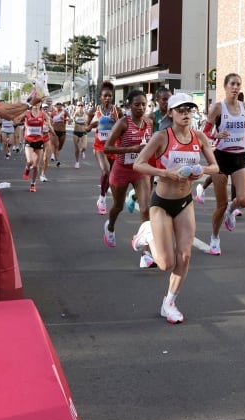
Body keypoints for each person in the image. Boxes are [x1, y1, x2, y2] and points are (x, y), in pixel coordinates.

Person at [132, 93, 218, 323]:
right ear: (170, 112)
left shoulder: (198, 137)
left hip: (184, 203)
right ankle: (146, 233)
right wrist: (165, 173)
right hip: (161, 203)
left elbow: (215, 166)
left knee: (186, 255)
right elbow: (139, 163)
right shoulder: (162, 137)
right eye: (180, 109)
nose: (186, 113)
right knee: (165, 263)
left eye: (189, 109)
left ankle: (169, 303)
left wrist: (200, 170)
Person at [201, 73, 245, 255]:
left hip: (239, 156)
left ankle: (231, 211)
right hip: (221, 157)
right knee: (221, 203)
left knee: (244, 200)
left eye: (238, 84)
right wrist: (215, 135)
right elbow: (205, 132)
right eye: (232, 84)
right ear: (225, 87)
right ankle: (215, 238)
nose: (235, 87)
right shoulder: (218, 108)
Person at [103, 89, 153, 266]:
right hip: (121, 169)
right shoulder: (123, 123)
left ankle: (146, 253)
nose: (141, 108)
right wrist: (130, 149)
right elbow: (107, 148)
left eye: (143, 105)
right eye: (137, 105)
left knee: (146, 208)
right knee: (118, 206)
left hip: (140, 170)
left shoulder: (148, 123)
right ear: (129, 106)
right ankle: (110, 227)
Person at [87, 81, 122, 215]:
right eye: (105, 96)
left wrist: (117, 119)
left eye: (110, 96)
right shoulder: (94, 111)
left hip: (113, 146)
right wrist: (94, 124)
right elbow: (87, 126)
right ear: (100, 97)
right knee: (106, 171)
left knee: (111, 175)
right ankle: (102, 199)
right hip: (100, 146)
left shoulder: (117, 110)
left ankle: (103, 195)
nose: (107, 98)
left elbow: (124, 126)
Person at [50, 101, 70, 167]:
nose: (59, 106)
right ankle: (56, 159)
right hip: (55, 131)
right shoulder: (53, 113)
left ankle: (55, 154)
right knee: (56, 145)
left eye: (60, 105)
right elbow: (49, 121)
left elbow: (70, 119)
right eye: (57, 105)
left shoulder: (65, 112)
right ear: (55, 106)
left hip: (63, 131)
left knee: (60, 147)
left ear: (62, 105)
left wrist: (65, 119)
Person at [71, 101, 88, 168]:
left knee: (84, 147)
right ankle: (77, 162)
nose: (80, 107)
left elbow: (88, 121)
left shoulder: (85, 113)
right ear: (76, 106)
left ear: (83, 106)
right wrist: (74, 114)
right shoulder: (75, 113)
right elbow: (71, 119)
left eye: (81, 105)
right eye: (79, 105)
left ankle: (82, 151)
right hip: (76, 132)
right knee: (76, 149)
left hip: (83, 132)